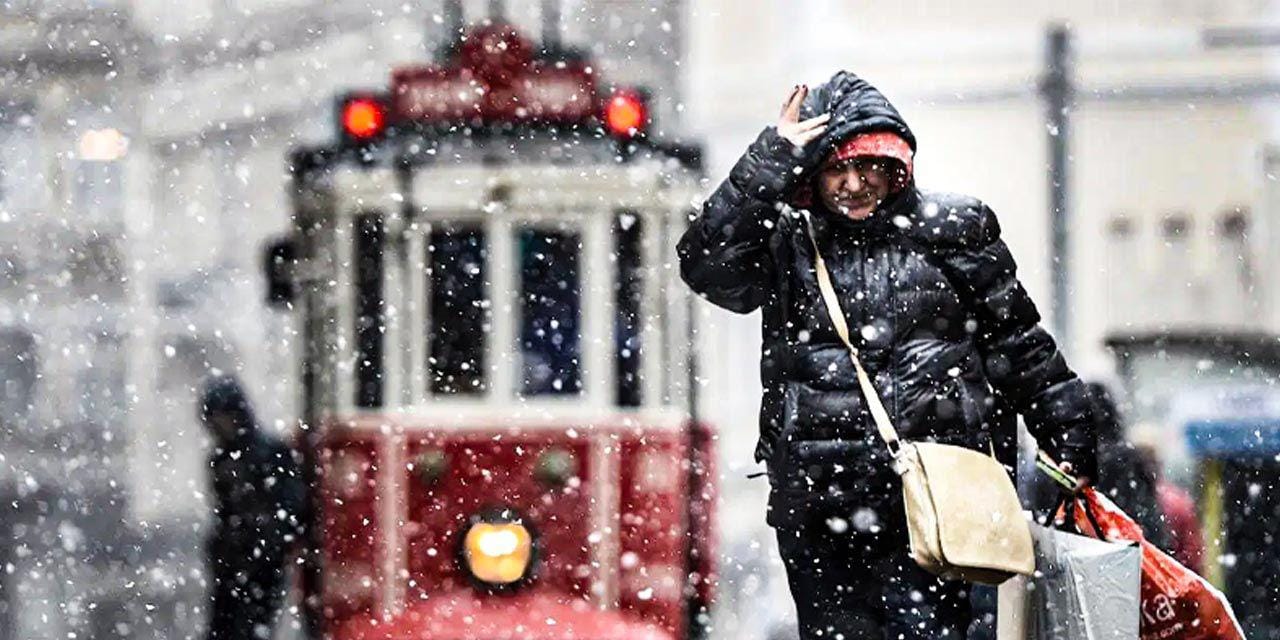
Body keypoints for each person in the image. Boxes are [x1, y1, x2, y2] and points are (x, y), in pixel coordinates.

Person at [677, 71, 1096, 638]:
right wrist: (772, 155)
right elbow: (705, 265)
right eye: (834, 170)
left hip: (936, 504)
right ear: (810, 177)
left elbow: (1018, 345)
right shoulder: (790, 243)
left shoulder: (956, 229)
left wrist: (1068, 435)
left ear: (896, 165)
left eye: (867, 166)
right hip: (820, 509)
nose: (852, 185)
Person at [200, 375, 305, 640]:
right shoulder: (222, 458)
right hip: (235, 563)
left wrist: (265, 542)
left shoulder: (268, 453)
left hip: (260, 562)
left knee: (247, 629)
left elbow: (291, 506)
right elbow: (225, 511)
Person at [1090, 382, 1172, 552]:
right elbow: (1149, 519)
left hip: (1088, 555)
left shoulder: (1070, 461)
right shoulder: (1127, 458)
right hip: (1130, 553)